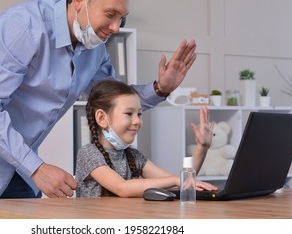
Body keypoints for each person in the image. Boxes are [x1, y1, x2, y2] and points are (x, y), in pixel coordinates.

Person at [0, 0, 197, 200]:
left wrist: (161, 88)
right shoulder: (23, 27)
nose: (116, 27)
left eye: (121, 17)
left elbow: (115, 102)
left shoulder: (96, 51)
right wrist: (36, 168)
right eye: (110, 14)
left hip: (18, 163)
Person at [76, 80, 217, 197]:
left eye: (139, 114)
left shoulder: (134, 156)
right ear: (102, 118)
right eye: (129, 113)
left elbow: (179, 183)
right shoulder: (89, 154)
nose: (137, 121)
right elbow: (122, 188)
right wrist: (176, 179)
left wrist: (202, 148)